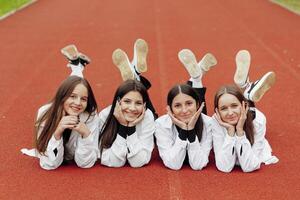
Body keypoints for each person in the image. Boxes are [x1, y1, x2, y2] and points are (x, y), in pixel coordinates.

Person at [21, 45, 99, 170]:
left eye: (84, 99)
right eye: (72, 96)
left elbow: (85, 163)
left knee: (77, 88)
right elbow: (49, 164)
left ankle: (77, 65)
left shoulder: (90, 115)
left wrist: (86, 134)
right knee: (76, 87)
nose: (78, 103)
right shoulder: (45, 113)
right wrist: (57, 133)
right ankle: (78, 66)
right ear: (62, 96)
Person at [211, 50, 279, 173]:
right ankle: (246, 87)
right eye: (224, 108)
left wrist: (240, 131)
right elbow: (224, 167)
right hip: (245, 111)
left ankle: (245, 89)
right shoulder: (215, 121)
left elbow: (250, 166)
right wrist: (231, 131)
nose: (230, 112)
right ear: (217, 111)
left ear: (242, 105)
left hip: (249, 115)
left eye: (234, 106)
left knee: (250, 114)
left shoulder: (258, 120)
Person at [155, 49, 217, 170]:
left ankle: (197, 78)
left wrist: (191, 132)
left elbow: (198, 165)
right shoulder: (160, 124)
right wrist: (184, 130)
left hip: (200, 115)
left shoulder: (209, 123)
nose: (184, 110)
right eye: (177, 106)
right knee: (145, 111)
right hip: (185, 116)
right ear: (170, 108)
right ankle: (197, 78)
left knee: (200, 117)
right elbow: (174, 164)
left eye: (188, 103)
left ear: (198, 104)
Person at [98, 39, 155, 168]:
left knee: (142, 102)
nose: (132, 108)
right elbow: (113, 162)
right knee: (137, 93)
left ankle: (135, 75)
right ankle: (136, 75)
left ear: (144, 105)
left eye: (138, 103)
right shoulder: (105, 115)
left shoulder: (148, 116)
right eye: (127, 102)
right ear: (118, 101)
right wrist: (124, 127)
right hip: (131, 111)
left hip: (147, 116)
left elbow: (138, 162)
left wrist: (130, 129)